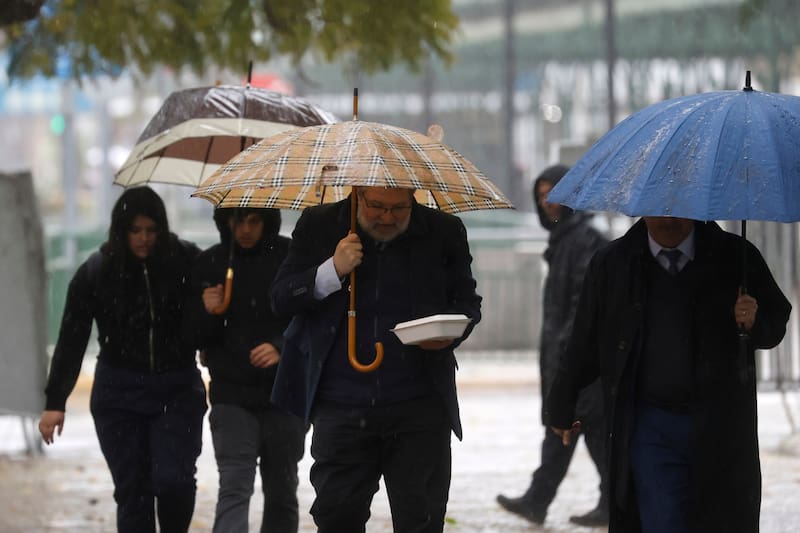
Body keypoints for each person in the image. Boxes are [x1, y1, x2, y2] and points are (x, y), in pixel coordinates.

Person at [545, 216, 792, 533]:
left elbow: (775, 321)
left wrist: (752, 322)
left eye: (676, 206)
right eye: (657, 208)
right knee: (662, 520)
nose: (667, 218)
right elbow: (585, 341)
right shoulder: (614, 263)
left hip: (720, 426)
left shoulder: (735, 257)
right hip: (649, 423)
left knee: (719, 519)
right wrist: (562, 403)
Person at [270, 186, 482, 533]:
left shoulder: (443, 230)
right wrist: (332, 270)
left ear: (414, 194)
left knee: (422, 519)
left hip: (420, 404)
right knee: (337, 516)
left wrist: (450, 332)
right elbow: (281, 298)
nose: (388, 217)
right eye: (377, 206)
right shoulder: (320, 224)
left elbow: (467, 302)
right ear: (358, 193)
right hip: (341, 405)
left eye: (400, 207)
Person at [38, 186, 207, 533]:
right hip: (119, 392)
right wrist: (56, 401)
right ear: (122, 230)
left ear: (161, 229)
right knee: (134, 491)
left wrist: (210, 317)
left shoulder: (187, 261)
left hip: (176, 388)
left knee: (174, 482)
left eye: (151, 230)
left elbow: (207, 325)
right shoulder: (97, 272)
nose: (144, 239)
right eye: (135, 231)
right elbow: (72, 339)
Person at [497, 164, 610, 526]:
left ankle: (614, 501)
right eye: (542, 194)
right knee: (564, 432)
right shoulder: (565, 239)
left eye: (554, 193)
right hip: (567, 361)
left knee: (587, 431)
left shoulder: (586, 240)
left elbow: (583, 307)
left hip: (581, 364)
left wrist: (568, 362)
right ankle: (539, 499)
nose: (547, 202)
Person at [186, 207, 306, 533]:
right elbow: (194, 338)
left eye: (254, 221)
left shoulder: (290, 259)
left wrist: (281, 346)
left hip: (284, 396)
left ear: (266, 221)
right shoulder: (212, 263)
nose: (246, 230)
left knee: (282, 492)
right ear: (226, 221)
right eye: (239, 220)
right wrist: (208, 311)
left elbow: (309, 319)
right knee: (235, 487)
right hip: (231, 395)